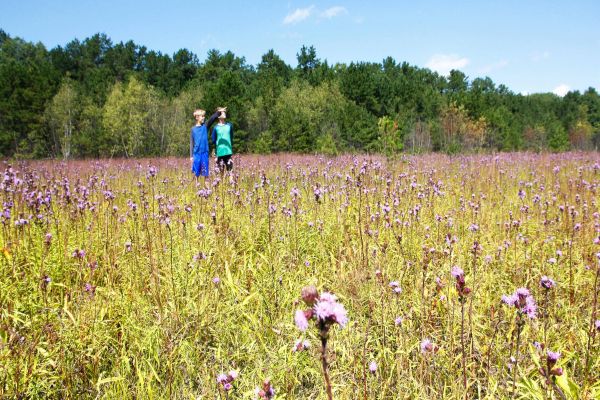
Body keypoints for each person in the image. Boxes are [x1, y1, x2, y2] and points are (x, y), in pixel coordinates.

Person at [190, 107, 225, 182]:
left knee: (206, 174)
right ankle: (197, 189)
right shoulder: (193, 129)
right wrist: (191, 156)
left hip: (205, 153)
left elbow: (212, 119)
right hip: (196, 154)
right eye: (202, 116)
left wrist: (219, 112)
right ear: (197, 117)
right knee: (196, 174)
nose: (204, 117)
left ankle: (207, 190)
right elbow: (191, 143)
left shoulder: (205, 126)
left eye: (204, 116)